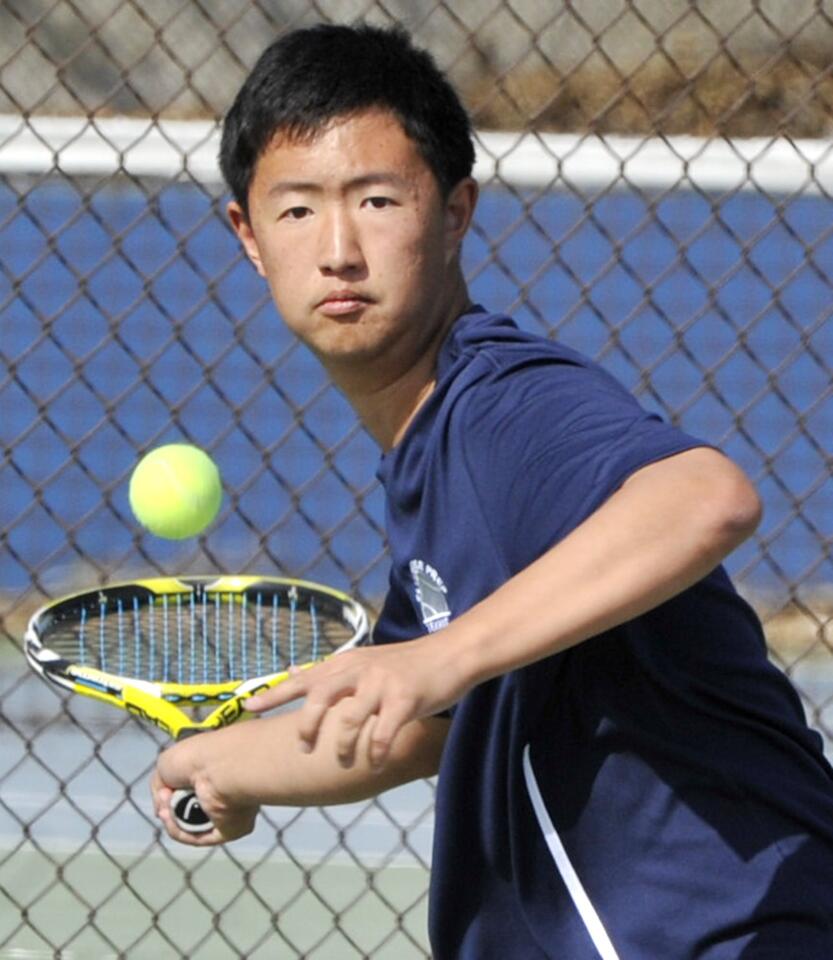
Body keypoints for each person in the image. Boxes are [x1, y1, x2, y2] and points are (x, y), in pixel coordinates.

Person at [150, 22, 833, 959]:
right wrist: (220, 764)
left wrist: (440, 660)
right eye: (298, 209)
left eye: (378, 199)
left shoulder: (503, 407)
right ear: (249, 236)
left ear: (456, 211)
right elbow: (414, 725)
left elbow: (703, 496)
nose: (339, 248)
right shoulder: (425, 464)